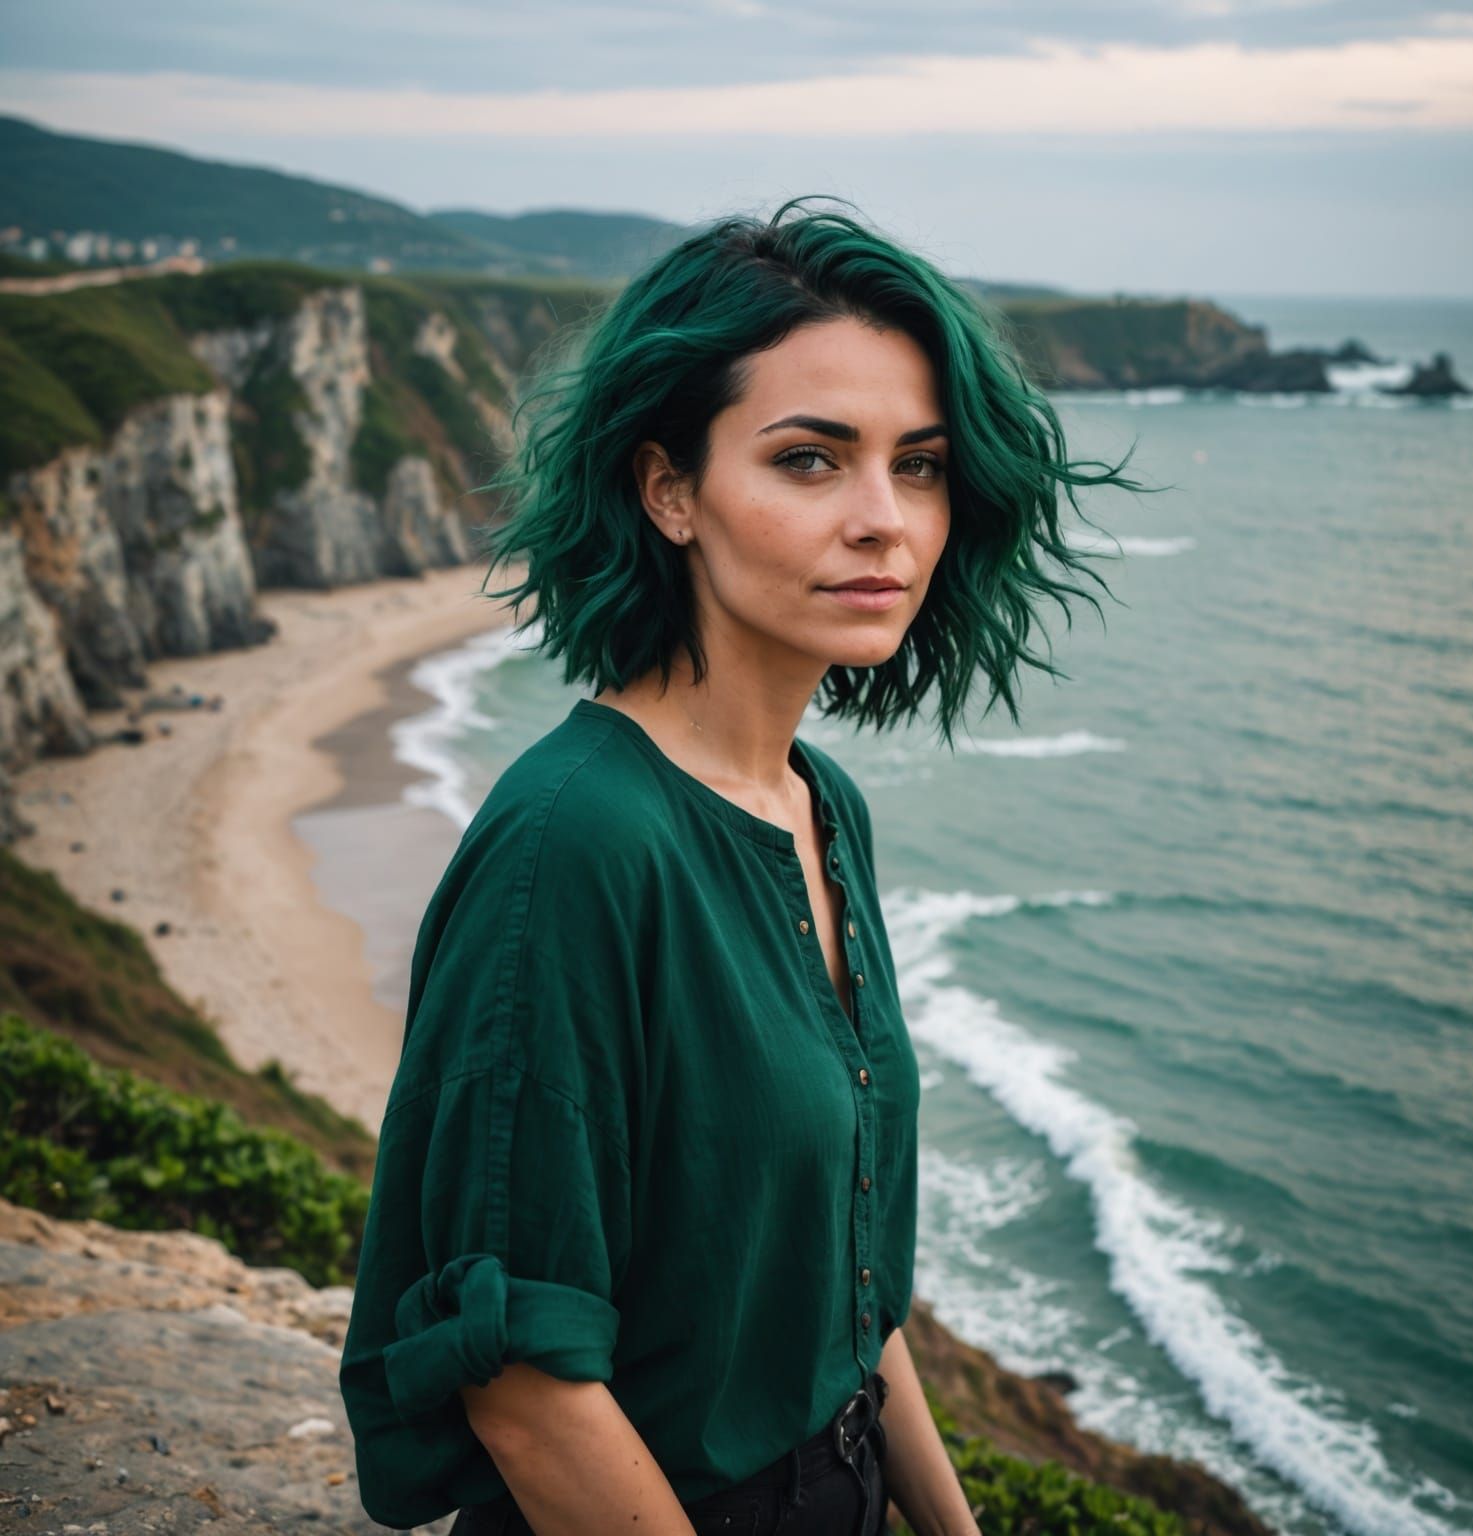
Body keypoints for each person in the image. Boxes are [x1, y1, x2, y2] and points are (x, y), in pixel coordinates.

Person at [338, 194, 1154, 1535]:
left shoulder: (820, 808)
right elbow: (524, 1383)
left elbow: (843, 1282)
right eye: (810, 459)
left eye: (924, 463)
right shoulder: (575, 847)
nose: (887, 519)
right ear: (669, 490)